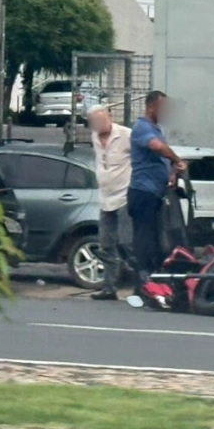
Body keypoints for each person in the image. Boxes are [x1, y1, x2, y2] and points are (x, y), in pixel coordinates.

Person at [127, 91, 186, 290]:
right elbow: (157, 147)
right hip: (143, 192)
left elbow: (160, 158)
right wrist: (176, 159)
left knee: (155, 240)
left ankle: (154, 281)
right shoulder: (142, 127)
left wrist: (172, 173)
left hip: (156, 193)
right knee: (144, 240)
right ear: (151, 106)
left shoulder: (157, 129)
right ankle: (142, 282)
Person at [88, 105, 132, 301]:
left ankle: (142, 284)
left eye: (101, 120)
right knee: (106, 244)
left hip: (125, 196)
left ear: (110, 117)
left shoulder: (126, 135)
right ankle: (109, 287)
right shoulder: (95, 137)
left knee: (127, 242)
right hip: (105, 198)